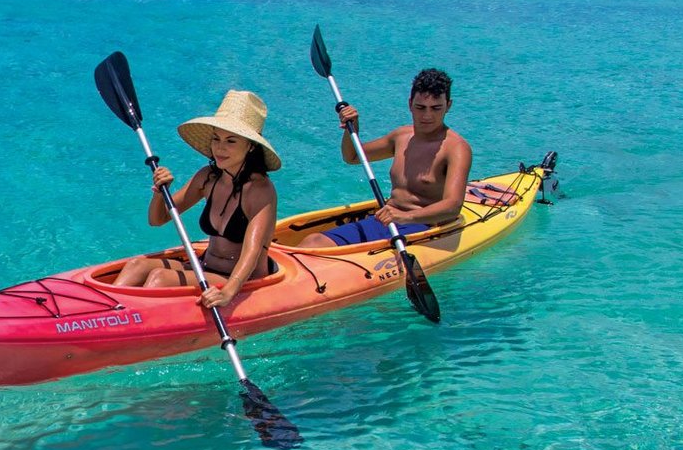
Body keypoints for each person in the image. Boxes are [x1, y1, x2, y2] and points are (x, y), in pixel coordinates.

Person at [115, 90, 279, 309]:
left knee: (160, 278)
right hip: (206, 268)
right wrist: (159, 191)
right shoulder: (208, 177)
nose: (220, 148)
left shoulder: (260, 190)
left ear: (250, 146)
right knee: (136, 266)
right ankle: (105, 314)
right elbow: (158, 219)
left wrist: (228, 293)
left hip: (242, 279)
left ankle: (127, 322)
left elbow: (253, 251)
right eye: (216, 139)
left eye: (231, 141)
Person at [300, 68, 472, 248]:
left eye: (436, 108)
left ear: (448, 106)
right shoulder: (401, 137)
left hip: (423, 227)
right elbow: (352, 157)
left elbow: (453, 205)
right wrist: (352, 130)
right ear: (410, 104)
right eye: (420, 107)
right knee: (313, 241)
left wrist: (405, 217)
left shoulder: (456, 148)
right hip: (386, 219)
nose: (427, 116)